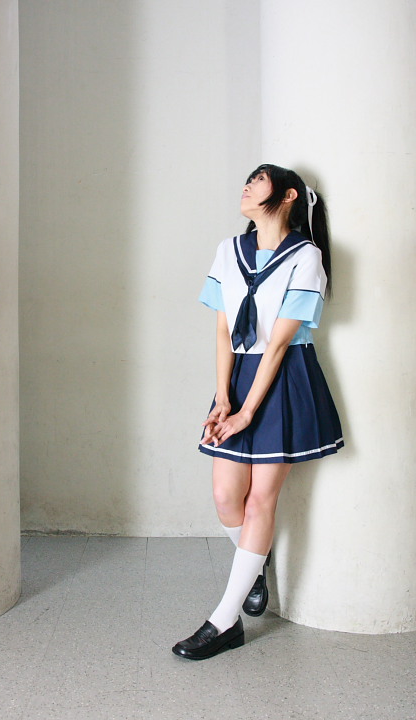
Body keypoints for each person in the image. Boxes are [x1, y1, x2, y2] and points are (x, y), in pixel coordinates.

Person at [172, 163, 343, 661]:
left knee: (260, 501)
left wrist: (247, 413)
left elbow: (279, 344)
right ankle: (256, 562)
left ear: (288, 196)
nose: (247, 185)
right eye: (248, 179)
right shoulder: (229, 250)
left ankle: (224, 622)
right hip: (238, 377)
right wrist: (223, 398)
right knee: (226, 496)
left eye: (259, 179)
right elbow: (223, 330)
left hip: (284, 377)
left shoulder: (306, 256)